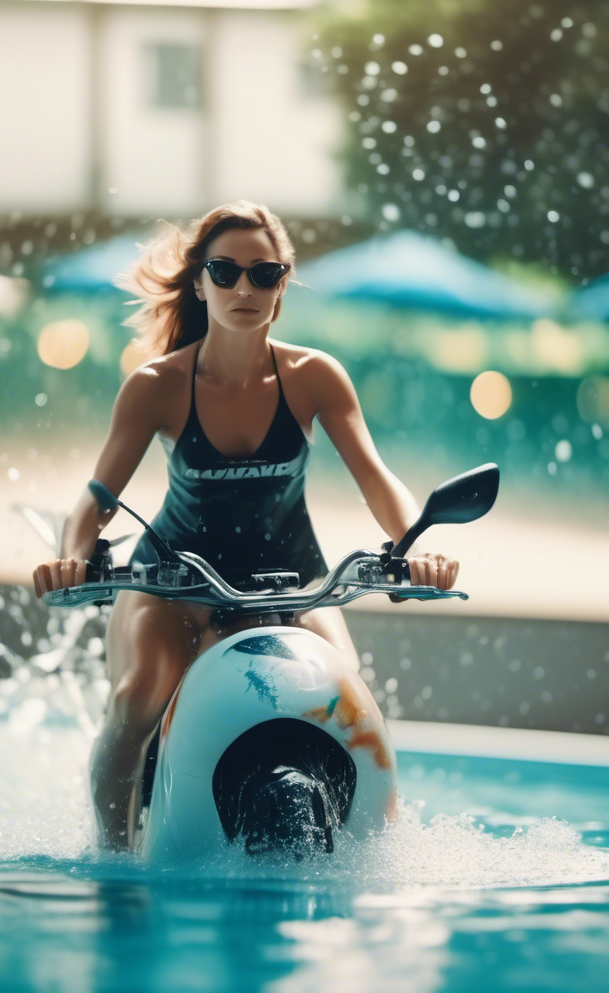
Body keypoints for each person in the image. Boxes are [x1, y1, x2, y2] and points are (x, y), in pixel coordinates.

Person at [33, 200, 459, 850]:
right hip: (174, 581)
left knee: (351, 707)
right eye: (225, 271)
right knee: (137, 700)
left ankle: (371, 863)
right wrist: (72, 556)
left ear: (283, 286)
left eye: (264, 274)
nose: (244, 288)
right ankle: (114, 864)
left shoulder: (315, 377)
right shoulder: (157, 385)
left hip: (296, 582)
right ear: (200, 282)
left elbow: (376, 477)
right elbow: (95, 501)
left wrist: (413, 549)